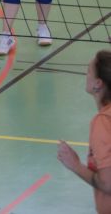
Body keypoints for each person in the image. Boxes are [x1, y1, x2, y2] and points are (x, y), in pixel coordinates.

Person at [57, 50, 111, 213]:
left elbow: (108, 183)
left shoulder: (103, 122)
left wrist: (75, 165)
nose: (85, 75)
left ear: (98, 83)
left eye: (88, 71)